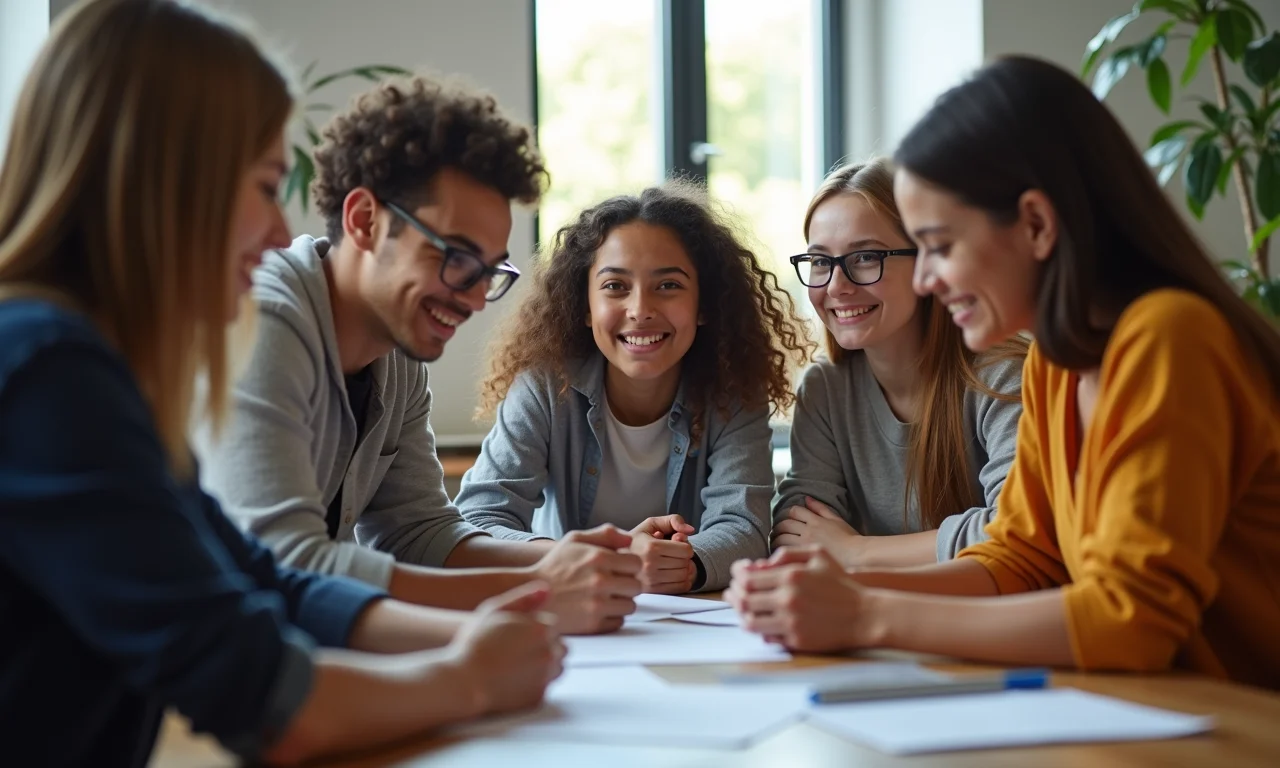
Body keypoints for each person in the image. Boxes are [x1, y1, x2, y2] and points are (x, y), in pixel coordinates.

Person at [0, 1, 564, 764]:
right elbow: (261, 691)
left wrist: (483, 634)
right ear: (165, 178)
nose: (278, 232)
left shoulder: (95, 367)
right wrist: (467, 676)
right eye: (266, 185)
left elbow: (263, 579)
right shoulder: (47, 371)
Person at [728, 55, 1280, 691]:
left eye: (940, 245)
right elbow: (1024, 558)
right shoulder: (1056, 358)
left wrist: (867, 612)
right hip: (1159, 710)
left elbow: (1132, 618)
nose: (930, 278)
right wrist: (827, 587)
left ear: (1038, 225)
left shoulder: (1167, 336)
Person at [194, 71, 641, 633]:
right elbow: (287, 561)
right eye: (456, 256)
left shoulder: (397, 351)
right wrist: (543, 589)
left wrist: (568, 559)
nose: (477, 298)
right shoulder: (265, 320)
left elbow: (416, 532)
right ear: (364, 221)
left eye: (489, 271)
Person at [454, 183, 814, 593]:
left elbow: (744, 529)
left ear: (705, 306)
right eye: (615, 286)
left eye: (668, 285)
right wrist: (601, 558)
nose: (641, 310)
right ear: (584, 307)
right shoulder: (545, 386)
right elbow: (477, 520)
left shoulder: (733, 394)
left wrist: (686, 564)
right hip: (567, 614)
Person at [774, 157, 1026, 569]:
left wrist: (858, 551)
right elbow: (796, 534)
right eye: (820, 261)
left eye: (866, 257)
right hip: (873, 621)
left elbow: (1017, 529)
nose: (837, 286)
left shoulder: (1002, 375)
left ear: (927, 262)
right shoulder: (825, 388)